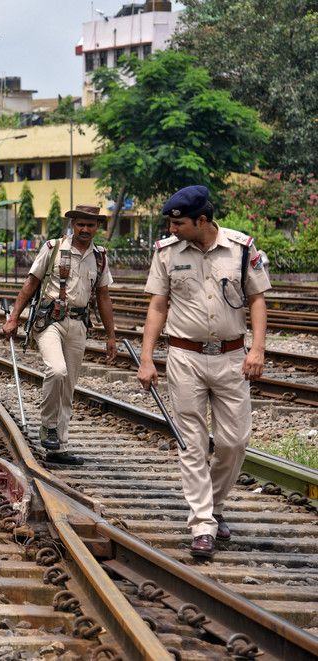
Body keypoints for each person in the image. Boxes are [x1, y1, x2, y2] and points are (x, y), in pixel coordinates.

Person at [136, 185, 269, 559]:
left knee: (234, 441)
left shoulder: (242, 249)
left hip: (232, 357)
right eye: (170, 223)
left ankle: (215, 505)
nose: (171, 228)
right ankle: (203, 524)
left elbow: (257, 299)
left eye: (178, 223)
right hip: (185, 358)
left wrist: (257, 349)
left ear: (203, 220)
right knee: (191, 443)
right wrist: (147, 359)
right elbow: (158, 307)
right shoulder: (166, 253)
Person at [3, 203, 117, 466]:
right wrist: (13, 319)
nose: (85, 229)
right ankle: (48, 427)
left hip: (79, 324)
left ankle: (58, 448)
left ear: (97, 227)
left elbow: (103, 297)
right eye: (81, 224)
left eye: (90, 225)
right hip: (49, 320)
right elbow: (31, 284)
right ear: (73, 225)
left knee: (68, 387)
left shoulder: (100, 256)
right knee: (57, 371)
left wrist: (111, 336)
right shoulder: (53, 249)